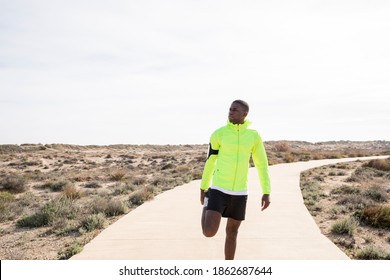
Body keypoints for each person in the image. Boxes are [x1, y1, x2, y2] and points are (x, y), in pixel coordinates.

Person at [200, 99, 271, 260]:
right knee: (209, 232)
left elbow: (261, 164)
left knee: (232, 233)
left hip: (240, 192)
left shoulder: (253, 136)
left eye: (235, 109)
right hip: (218, 188)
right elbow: (210, 161)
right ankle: (207, 203)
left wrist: (266, 191)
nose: (230, 111)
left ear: (244, 114)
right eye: (230, 109)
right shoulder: (219, 133)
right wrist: (204, 187)